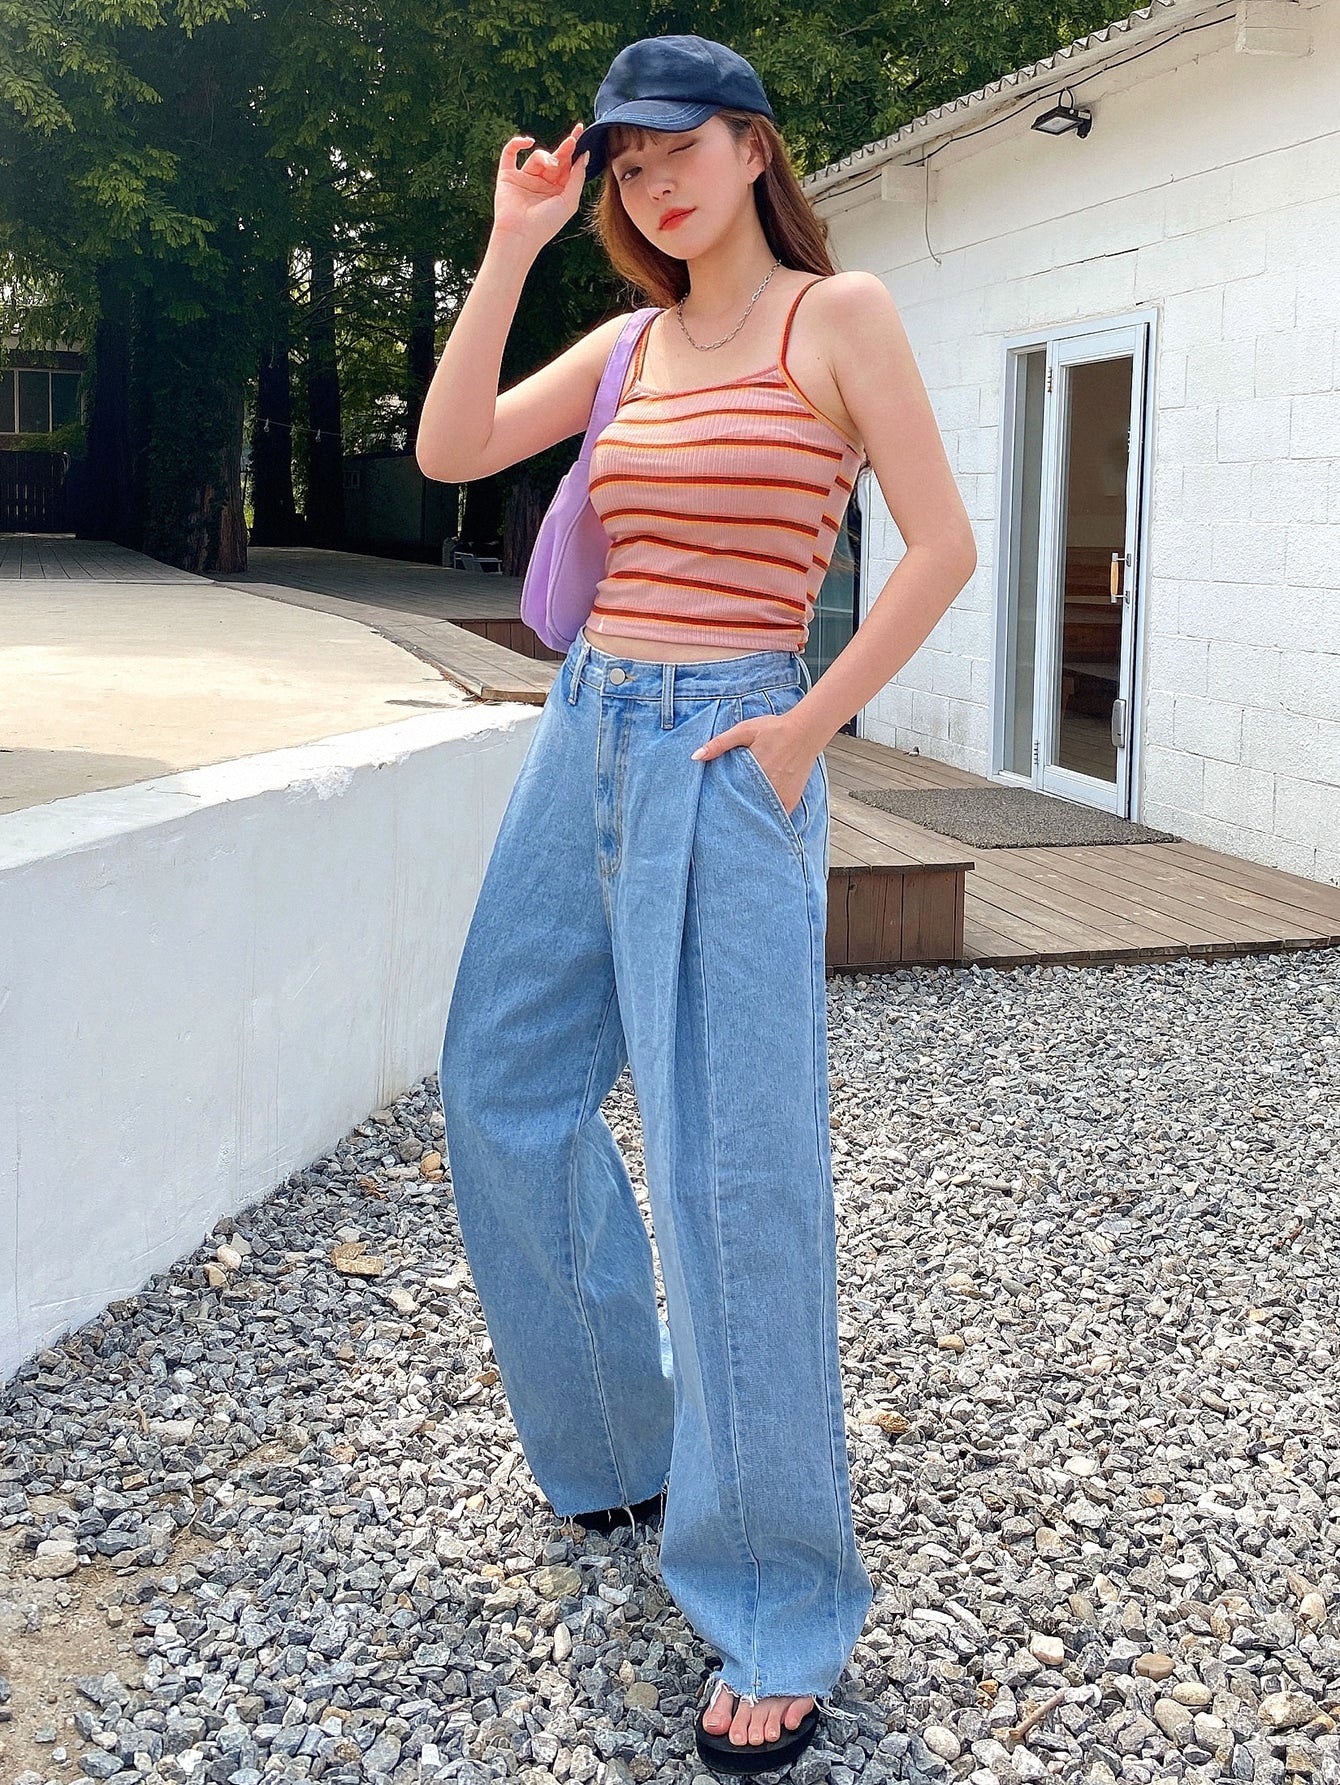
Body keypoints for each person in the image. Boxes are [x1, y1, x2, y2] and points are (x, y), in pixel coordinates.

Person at [416, 33, 977, 1774]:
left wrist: (808, 729)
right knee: (501, 1084)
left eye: (680, 148)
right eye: (628, 161)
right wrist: (512, 241)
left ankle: (779, 1601)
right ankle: (619, 1436)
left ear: (752, 149)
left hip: (735, 743)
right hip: (585, 726)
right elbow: (450, 446)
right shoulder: (629, 344)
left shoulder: (838, 317)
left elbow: (944, 544)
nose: (654, 183)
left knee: (737, 1176)